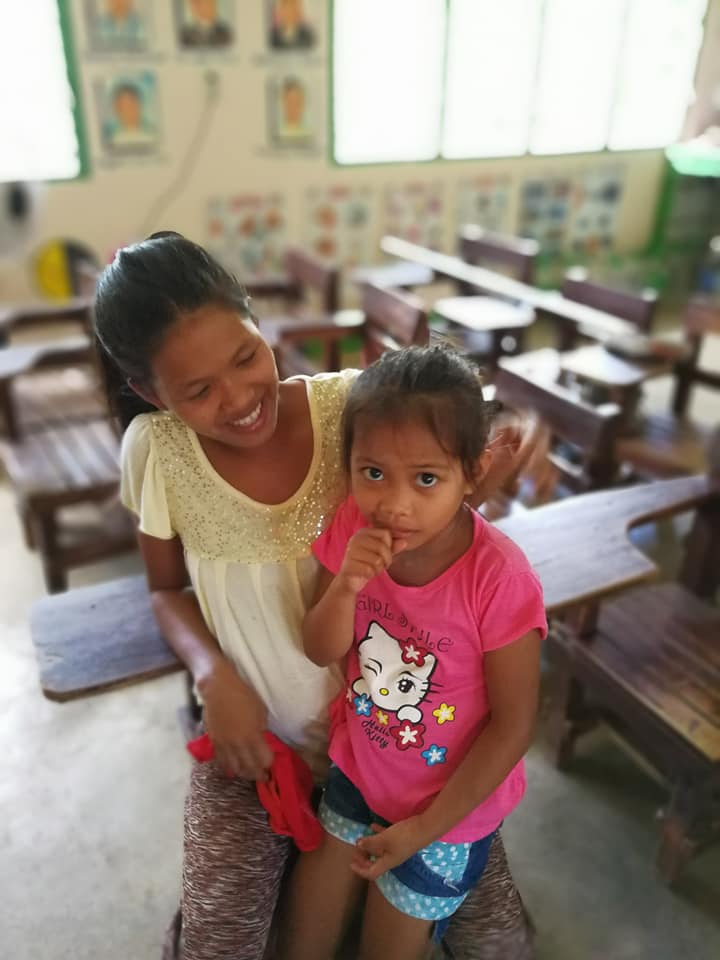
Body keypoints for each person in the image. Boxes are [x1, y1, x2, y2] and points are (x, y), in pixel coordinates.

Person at [94, 231, 539, 960]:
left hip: (403, 743)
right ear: (151, 393)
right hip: (259, 742)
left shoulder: (351, 409)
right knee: (220, 936)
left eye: (245, 357)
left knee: (495, 939)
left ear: (257, 320)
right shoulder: (157, 452)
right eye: (199, 390)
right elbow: (165, 589)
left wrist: (479, 482)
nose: (239, 399)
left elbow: (432, 500)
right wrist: (216, 677)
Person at [282, 347, 546, 960]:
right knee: (310, 915)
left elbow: (514, 726)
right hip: (360, 767)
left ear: (472, 474)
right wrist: (346, 585)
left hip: (446, 815)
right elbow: (318, 646)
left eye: (426, 479)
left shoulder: (499, 579)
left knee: (388, 942)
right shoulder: (353, 526)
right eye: (372, 472)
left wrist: (423, 832)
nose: (394, 504)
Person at [105, 82, 155, 150]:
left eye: (129, 105)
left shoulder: (152, 131)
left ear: (138, 105)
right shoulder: (111, 135)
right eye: (121, 106)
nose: (125, 111)